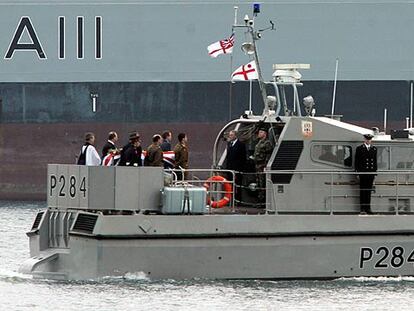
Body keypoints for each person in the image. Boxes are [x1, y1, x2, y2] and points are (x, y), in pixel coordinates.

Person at [355, 133, 377, 214]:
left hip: (370, 173)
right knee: (363, 191)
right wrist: (357, 172)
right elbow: (357, 161)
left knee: (368, 191)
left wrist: (375, 173)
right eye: (367, 139)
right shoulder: (360, 148)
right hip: (363, 173)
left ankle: (368, 208)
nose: (368, 141)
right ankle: (362, 209)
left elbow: (374, 162)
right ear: (364, 140)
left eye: (370, 139)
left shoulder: (374, 149)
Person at [225, 130, 246, 202]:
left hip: (237, 169)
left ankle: (238, 200)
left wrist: (240, 169)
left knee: (237, 185)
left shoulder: (241, 145)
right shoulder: (229, 144)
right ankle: (230, 200)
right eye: (229, 135)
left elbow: (243, 158)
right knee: (230, 185)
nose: (229, 136)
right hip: (230, 169)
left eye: (231, 135)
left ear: (235, 136)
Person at [253, 128, 273, 201]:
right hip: (257, 165)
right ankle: (259, 199)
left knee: (263, 183)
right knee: (258, 183)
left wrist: (266, 165)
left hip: (262, 166)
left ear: (265, 134)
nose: (259, 134)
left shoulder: (267, 143)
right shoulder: (259, 142)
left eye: (261, 132)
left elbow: (269, 154)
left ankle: (263, 200)